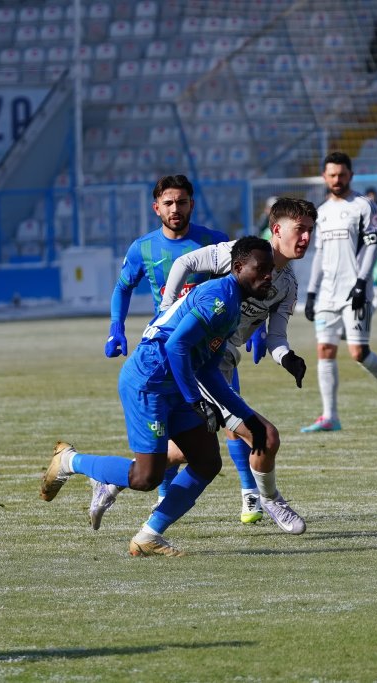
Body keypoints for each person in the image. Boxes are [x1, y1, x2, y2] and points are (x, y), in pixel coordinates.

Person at [41, 237, 277, 557]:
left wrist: (248, 418)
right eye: (260, 269)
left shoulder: (233, 305)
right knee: (145, 477)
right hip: (149, 381)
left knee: (207, 462)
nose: (268, 276)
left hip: (174, 384)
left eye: (271, 270)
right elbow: (175, 346)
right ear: (237, 268)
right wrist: (195, 400)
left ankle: (148, 536)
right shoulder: (219, 298)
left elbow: (207, 369)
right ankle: (69, 461)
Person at [96, 196, 313, 533]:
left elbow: (277, 337)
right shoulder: (239, 254)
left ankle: (116, 482)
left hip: (218, 364)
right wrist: (167, 309)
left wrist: (288, 358)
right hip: (193, 364)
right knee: (263, 436)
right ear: (277, 229)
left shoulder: (288, 285)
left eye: (311, 231)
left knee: (189, 452)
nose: (306, 238)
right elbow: (184, 262)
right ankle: (267, 498)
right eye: (300, 229)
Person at [103, 175, 235, 517]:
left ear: (192, 204)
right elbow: (122, 287)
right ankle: (163, 497)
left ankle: (253, 494)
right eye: (169, 203)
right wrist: (116, 327)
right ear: (156, 208)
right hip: (167, 351)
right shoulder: (143, 248)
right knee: (182, 433)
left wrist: (254, 330)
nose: (176, 209)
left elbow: (238, 287)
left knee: (232, 422)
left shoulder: (214, 242)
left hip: (210, 352)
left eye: (182, 202)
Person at [302, 151, 377, 432]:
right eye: (332, 175)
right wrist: (311, 293)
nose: (337, 180)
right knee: (324, 349)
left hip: (355, 290)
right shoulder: (321, 213)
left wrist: (362, 281)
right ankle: (330, 416)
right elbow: (319, 255)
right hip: (327, 293)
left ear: (351, 175)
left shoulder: (364, 206)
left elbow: (373, 245)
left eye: (342, 174)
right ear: (324, 177)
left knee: (359, 352)